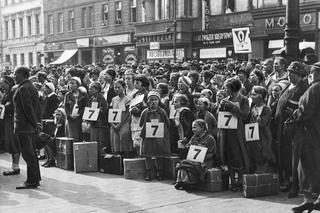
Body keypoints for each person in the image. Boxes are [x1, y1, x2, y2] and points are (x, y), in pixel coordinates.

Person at [275, 61, 309, 194]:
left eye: (292, 73)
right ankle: (287, 180)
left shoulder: (304, 88)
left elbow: (303, 108)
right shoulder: (289, 86)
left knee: (295, 157)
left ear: (300, 75)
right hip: (283, 128)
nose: (289, 75)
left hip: (296, 128)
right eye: (288, 72)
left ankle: (296, 185)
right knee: (285, 155)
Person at [290, 62, 320, 212]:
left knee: (307, 166)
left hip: (310, 133)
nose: (311, 75)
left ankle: (308, 199)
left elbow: (304, 111)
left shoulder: (315, 88)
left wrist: (296, 114)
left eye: (313, 72)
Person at [218, 77, 250, 192]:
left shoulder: (244, 100)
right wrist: (220, 107)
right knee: (229, 156)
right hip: (227, 132)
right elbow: (220, 115)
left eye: (227, 87)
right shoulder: (226, 99)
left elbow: (244, 115)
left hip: (238, 133)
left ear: (233, 88)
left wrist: (233, 107)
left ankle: (240, 180)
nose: (225, 89)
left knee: (239, 156)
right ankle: (233, 181)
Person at [13, 67, 41, 189]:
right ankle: (35, 178)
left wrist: (35, 124)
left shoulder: (24, 88)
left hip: (24, 126)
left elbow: (28, 109)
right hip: (28, 126)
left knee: (28, 155)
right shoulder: (30, 86)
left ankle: (32, 181)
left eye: (16, 74)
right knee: (32, 154)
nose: (14, 77)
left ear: (21, 75)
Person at [175, 119, 216, 190]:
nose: (193, 129)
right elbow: (188, 147)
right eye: (192, 128)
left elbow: (211, 153)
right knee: (182, 164)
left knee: (195, 165)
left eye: (195, 127)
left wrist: (202, 158)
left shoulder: (210, 138)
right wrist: (183, 145)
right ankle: (181, 181)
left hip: (205, 161)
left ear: (202, 127)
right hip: (193, 159)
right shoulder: (194, 137)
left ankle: (190, 182)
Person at [139, 90, 171, 181]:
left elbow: (167, 123)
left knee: (159, 154)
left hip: (159, 136)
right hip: (148, 136)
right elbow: (141, 123)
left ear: (158, 101)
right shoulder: (145, 112)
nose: (153, 101)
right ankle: (148, 171)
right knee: (147, 154)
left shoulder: (162, 112)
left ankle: (159, 171)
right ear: (148, 101)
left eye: (155, 99)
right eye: (151, 100)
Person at [247, 86, 275, 173]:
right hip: (254, 136)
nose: (252, 96)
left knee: (265, 154)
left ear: (261, 96)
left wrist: (256, 114)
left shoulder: (266, 109)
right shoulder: (252, 109)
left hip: (264, 136)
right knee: (256, 155)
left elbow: (262, 123)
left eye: (254, 94)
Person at [1, 76, 21, 176]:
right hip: (6, 120)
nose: (1, 85)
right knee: (10, 143)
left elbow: (14, 106)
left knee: (14, 143)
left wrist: (5, 106)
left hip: (11, 120)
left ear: (8, 83)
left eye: (2, 83)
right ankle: (14, 166)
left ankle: (16, 167)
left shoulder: (14, 91)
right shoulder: (5, 93)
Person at [110, 80, 132, 157]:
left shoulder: (127, 99)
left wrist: (120, 124)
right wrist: (112, 123)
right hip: (114, 123)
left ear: (124, 87)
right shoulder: (113, 99)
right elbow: (111, 112)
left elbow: (127, 114)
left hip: (123, 123)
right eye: (115, 87)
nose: (116, 89)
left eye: (119, 87)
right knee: (115, 143)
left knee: (124, 141)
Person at [87, 81, 109, 153]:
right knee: (93, 143)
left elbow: (104, 110)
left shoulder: (101, 98)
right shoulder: (91, 98)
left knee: (100, 144)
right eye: (89, 89)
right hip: (93, 124)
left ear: (97, 90)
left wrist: (97, 111)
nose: (89, 90)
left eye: (91, 89)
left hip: (100, 124)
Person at [64, 77, 88, 141]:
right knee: (71, 137)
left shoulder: (83, 94)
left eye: (72, 83)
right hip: (71, 120)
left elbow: (85, 106)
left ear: (78, 84)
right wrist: (69, 115)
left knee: (79, 137)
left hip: (80, 119)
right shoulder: (68, 95)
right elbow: (66, 107)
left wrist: (79, 114)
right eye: (69, 83)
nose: (70, 85)